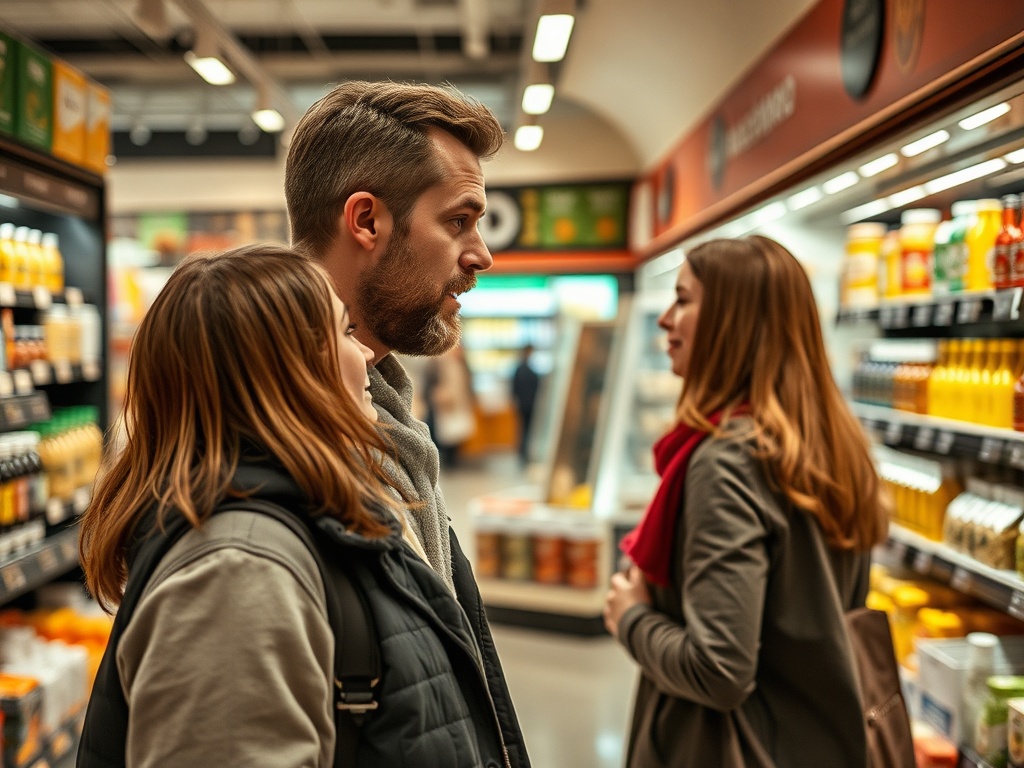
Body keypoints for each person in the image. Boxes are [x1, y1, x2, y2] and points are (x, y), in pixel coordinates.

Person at [77, 245, 514, 768]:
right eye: (346, 333)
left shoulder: (323, 511)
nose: (367, 356)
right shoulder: (236, 573)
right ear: (282, 373)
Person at [284, 80, 529, 766]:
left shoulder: (384, 421)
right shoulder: (266, 458)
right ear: (366, 221)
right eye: (459, 221)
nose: (481, 254)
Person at [602, 235, 889, 768]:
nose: (665, 319)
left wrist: (632, 617)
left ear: (733, 322)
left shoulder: (728, 462)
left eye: (684, 299)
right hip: (822, 740)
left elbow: (718, 670)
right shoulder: (832, 450)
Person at [423, 344, 478, 468]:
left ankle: (452, 459)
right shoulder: (438, 363)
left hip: (458, 405)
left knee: (455, 433)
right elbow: (430, 385)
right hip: (442, 406)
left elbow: (468, 385)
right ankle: (445, 459)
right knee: (442, 433)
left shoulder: (462, 365)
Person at [510, 343, 540, 467]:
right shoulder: (525, 369)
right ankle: (523, 452)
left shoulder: (520, 368)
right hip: (528, 404)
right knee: (525, 429)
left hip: (524, 404)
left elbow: (513, 389)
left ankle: (523, 452)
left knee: (524, 428)